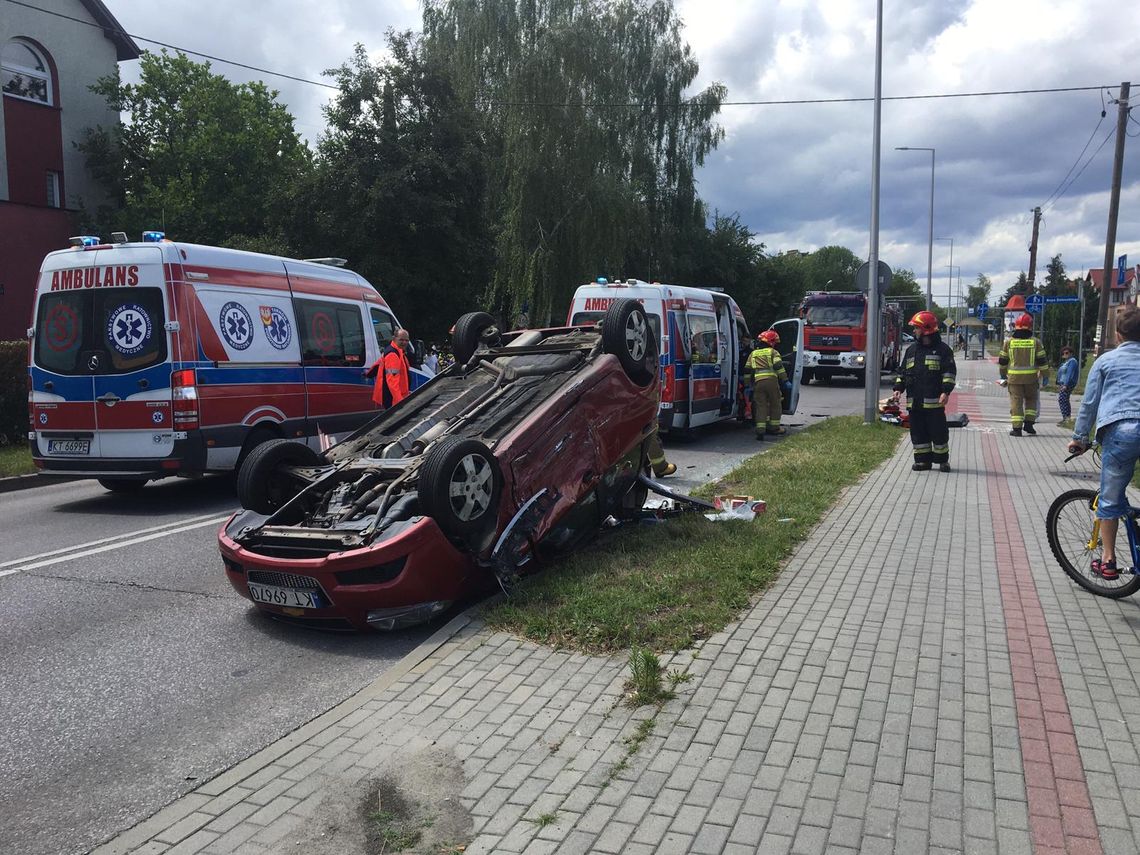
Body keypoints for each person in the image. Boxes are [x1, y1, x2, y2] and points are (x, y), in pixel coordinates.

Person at [1066, 304, 1140, 579]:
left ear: (1118, 335)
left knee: (1109, 499)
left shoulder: (1106, 361)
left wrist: (1079, 439)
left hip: (1122, 433)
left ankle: (1108, 561)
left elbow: (1089, 404)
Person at [891, 311, 956, 472]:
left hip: (934, 404)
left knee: (938, 433)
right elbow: (903, 372)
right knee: (918, 433)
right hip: (915, 403)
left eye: (916, 328)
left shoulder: (943, 350)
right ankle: (922, 461)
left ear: (926, 329)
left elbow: (949, 373)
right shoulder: (912, 350)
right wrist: (898, 388)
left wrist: (945, 391)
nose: (914, 331)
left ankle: (942, 460)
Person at [998, 313, 1047, 435]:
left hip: (1014, 379)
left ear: (1016, 327)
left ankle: (1017, 429)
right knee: (1031, 401)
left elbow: (1003, 361)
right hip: (1031, 379)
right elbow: (1043, 362)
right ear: (1030, 327)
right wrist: (1045, 376)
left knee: (1016, 402)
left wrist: (1003, 375)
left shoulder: (1009, 342)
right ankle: (1029, 425)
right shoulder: (1036, 342)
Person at [744, 329, 791, 440]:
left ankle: (760, 430)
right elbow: (778, 366)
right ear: (771, 342)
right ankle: (774, 428)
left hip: (758, 383)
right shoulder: (773, 352)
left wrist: (747, 385)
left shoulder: (753, 353)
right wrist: (785, 380)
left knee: (761, 406)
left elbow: (747, 370)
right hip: (771, 382)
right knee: (776, 403)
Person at [364, 328, 411, 408]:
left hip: (395, 397)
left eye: (406, 340)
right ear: (394, 338)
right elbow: (392, 381)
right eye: (401, 340)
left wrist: (368, 374)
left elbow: (378, 364)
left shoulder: (395, 351)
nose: (404, 342)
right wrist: (400, 402)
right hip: (393, 399)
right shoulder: (393, 354)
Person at [1055, 345, 1078, 427]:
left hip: (1067, 384)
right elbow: (1061, 373)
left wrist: (1065, 384)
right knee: (1064, 400)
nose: (1065, 354)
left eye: (1067, 353)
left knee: (1062, 400)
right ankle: (1066, 418)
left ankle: (1066, 418)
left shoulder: (1072, 361)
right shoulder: (1065, 362)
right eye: (1063, 353)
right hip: (1063, 384)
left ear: (1071, 353)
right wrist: (1058, 382)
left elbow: (1069, 373)